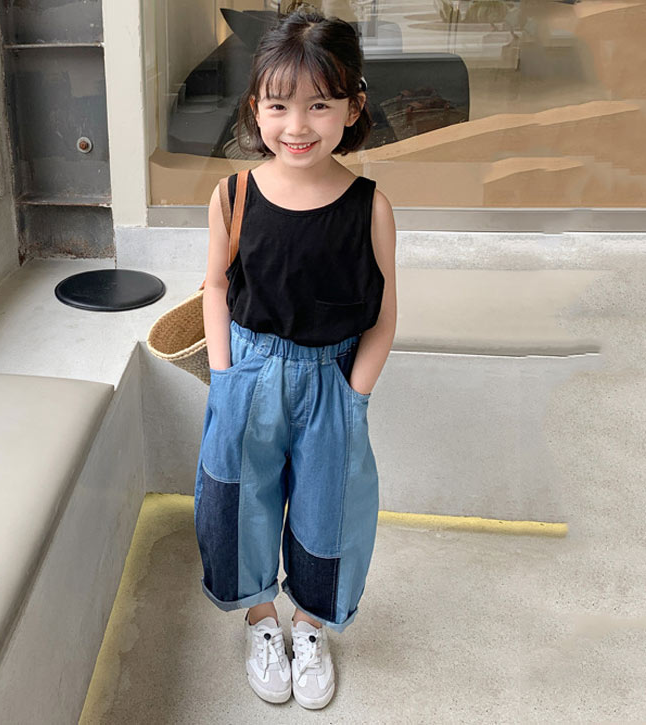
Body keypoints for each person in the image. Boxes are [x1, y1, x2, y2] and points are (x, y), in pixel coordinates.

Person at [193, 3, 397, 711]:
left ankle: (310, 626)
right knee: (237, 501)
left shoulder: (369, 206)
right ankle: (261, 621)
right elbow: (216, 287)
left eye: (319, 104)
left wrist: (355, 394)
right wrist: (224, 376)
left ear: (353, 107)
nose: (297, 125)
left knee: (329, 509)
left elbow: (384, 314)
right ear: (256, 108)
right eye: (279, 105)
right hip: (248, 373)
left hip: (332, 380)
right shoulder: (233, 194)